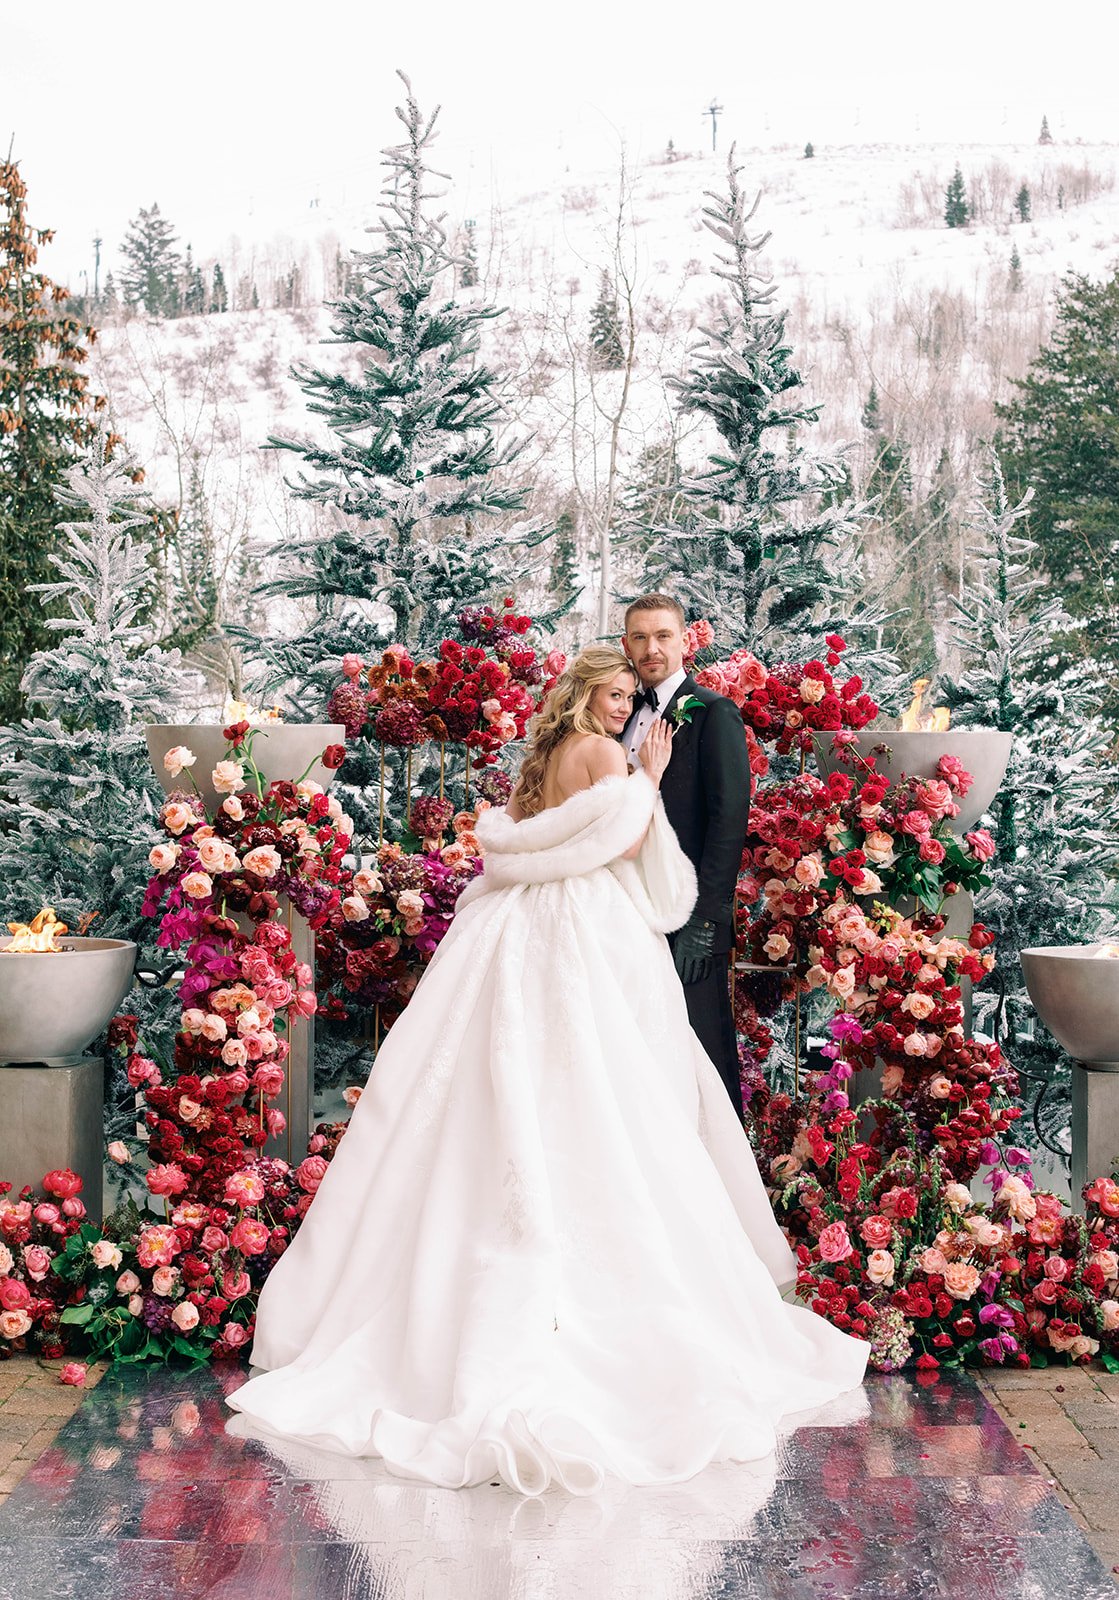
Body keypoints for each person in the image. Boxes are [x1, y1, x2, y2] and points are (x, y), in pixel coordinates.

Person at [226, 646, 867, 1496]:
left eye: (628, 697)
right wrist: (649, 775)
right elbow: (629, 838)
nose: (621, 707)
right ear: (584, 696)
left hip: (515, 924)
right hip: (582, 923)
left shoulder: (537, 769)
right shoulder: (609, 756)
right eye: (611, 694)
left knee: (486, 1076)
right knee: (599, 1080)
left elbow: (534, 843)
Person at [621, 595, 749, 1118]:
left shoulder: (715, 714)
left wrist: (704, 921)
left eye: (663, 636)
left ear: (684, 641)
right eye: (639, 638)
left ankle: (728, 1187)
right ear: (626, 644)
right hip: (627, 911)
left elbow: (729, 822)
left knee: (707, 1055)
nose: (652, 649)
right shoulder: (618, 711)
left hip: (689, 915)